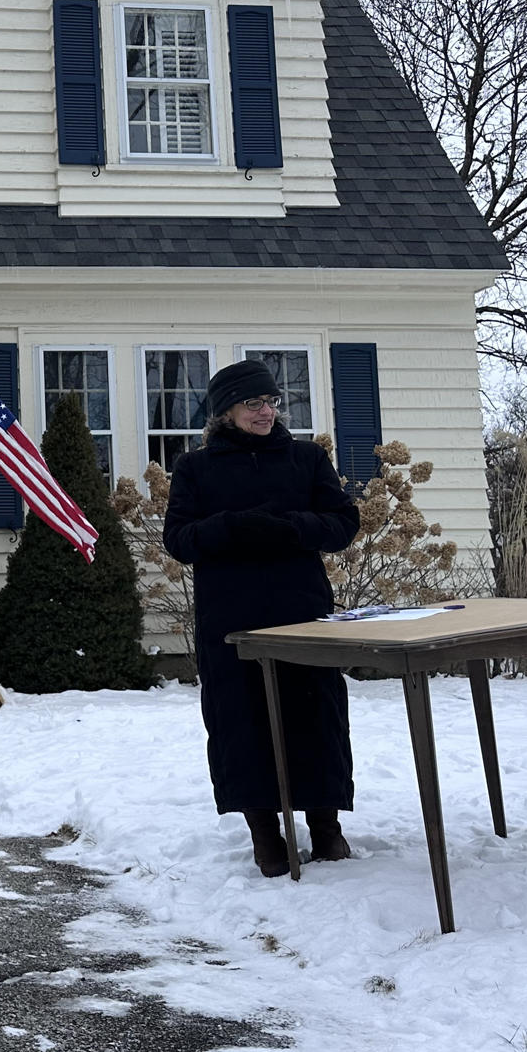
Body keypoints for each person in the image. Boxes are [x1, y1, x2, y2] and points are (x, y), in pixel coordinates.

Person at [162, 359, 361, 877]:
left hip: (302, 614)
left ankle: (325, 828)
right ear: (226, 411)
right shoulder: (195, 469)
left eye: (272, 401)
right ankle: (265, 834)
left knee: (316, 716)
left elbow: (343, 523)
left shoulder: (306, 458)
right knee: (241, 722)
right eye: (254, 403)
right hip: (231, 618)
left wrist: (292, 527)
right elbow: (179, 540)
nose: (266, 411)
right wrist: (232, 527)